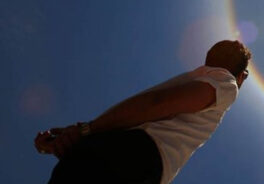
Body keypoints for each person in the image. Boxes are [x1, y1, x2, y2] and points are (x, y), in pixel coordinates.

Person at [34, 40, 252, 184]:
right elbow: (159, 103)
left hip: (114, 152)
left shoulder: (195, 77)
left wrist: (77, 135)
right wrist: (84, 131)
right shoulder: (227, 83)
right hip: (136, 158)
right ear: (241, 74)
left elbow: (143, 110)